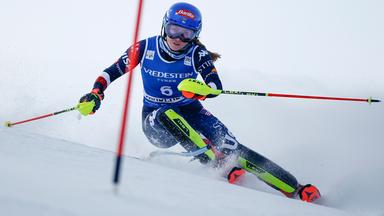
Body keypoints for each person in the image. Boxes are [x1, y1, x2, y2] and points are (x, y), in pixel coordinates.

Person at [78, 2, 321, 202]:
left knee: (232, 146)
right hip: (156, 122)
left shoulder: (197, 54)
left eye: (187, 34)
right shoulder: (146, 47)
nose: (179, 38)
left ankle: (294, 188)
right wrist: (95, 93)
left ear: (195, 35)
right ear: (165, 26)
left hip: (191, 109)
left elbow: (215, 86)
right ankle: (215, 161)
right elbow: (111, 71)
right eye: (174, 29)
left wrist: (201, 90)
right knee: (166, 113)